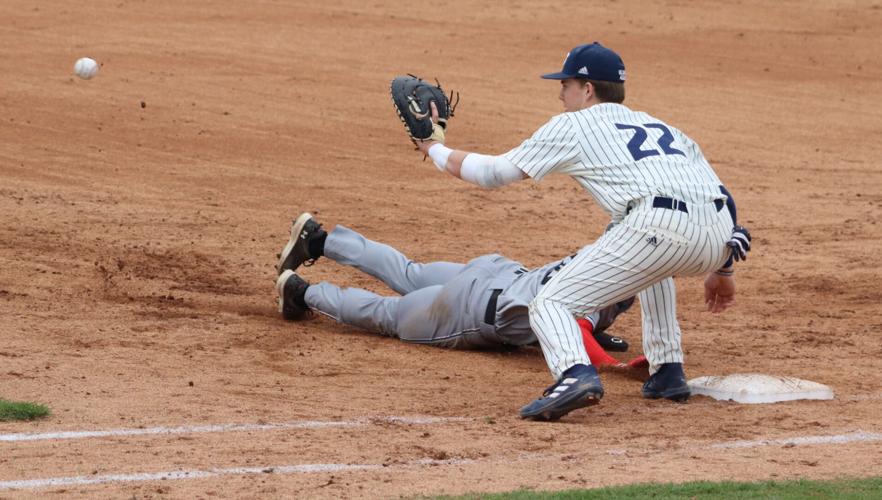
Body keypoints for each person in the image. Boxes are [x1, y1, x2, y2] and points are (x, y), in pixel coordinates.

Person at [412, 42, 751, 420]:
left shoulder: (574, 124)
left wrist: (434, 148)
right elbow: (724, 195)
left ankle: (575, 374)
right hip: (720, 234)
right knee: (644, 256)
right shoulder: (662, 125)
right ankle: (668, 371)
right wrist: (722, 270)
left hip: (659, 226)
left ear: (587, 89)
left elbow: (492, 173)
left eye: (565, 85)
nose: (560, 94)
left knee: (550, 303)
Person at [274, 213, 641, 406]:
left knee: (408, 271)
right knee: (390, 315)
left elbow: (586, 320)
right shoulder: (609, 282)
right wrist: (613, 366)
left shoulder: (600, 255)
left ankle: (317, 239)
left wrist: (599, 333)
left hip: (495, 271)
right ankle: (300, 293)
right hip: (469, 310)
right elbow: (577, 325)